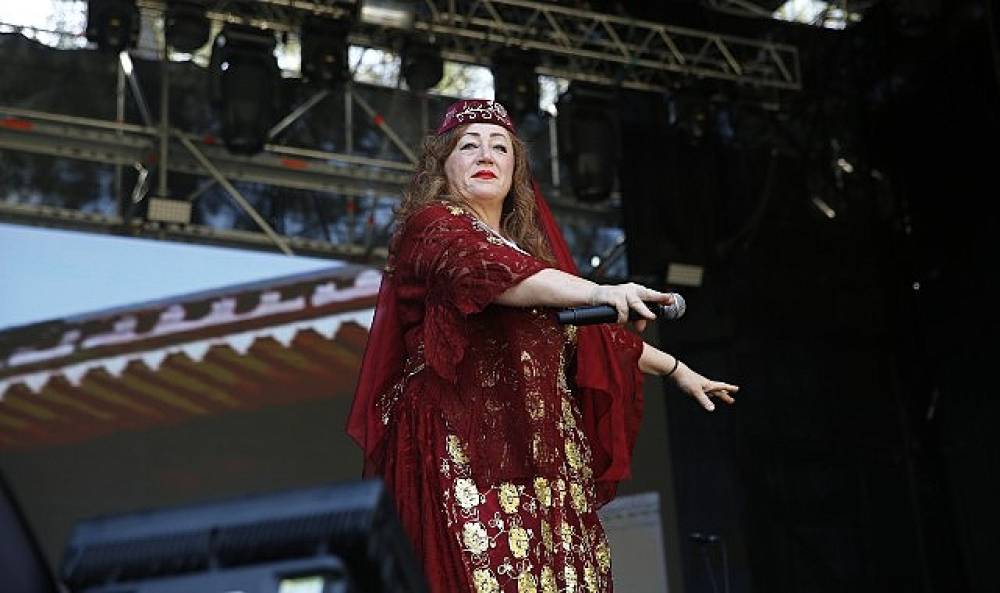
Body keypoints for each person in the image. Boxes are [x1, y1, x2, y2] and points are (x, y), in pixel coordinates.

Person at [347, 99, 738, 593]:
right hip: (465, 448)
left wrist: (676, 368)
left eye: (500, 147)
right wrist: (599, 292)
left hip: (543, 458)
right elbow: (491, 275)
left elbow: (592, 337)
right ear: (442, 166)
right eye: (468, 146)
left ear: (516, 168)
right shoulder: (435, 228)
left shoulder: (531, 259)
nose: (485, 155)